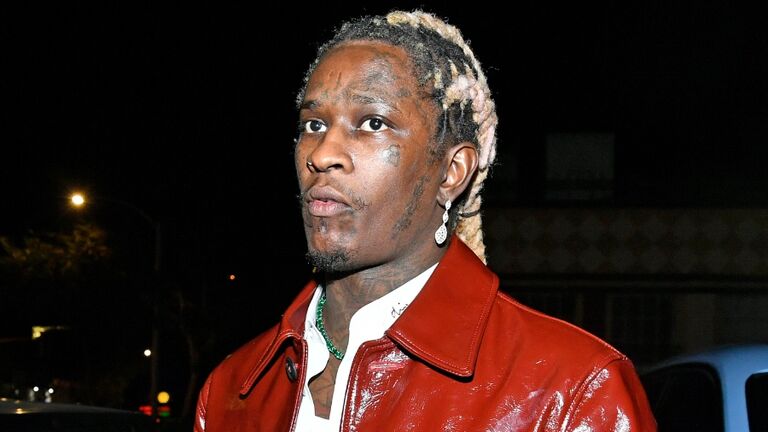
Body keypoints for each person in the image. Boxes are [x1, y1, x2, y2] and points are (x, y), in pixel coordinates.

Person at [195, 10, 656, 431]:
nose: (323, 153)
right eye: (313, 125)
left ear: (451, 172)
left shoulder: (574, 393)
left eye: (373, 123)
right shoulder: (231, 392)